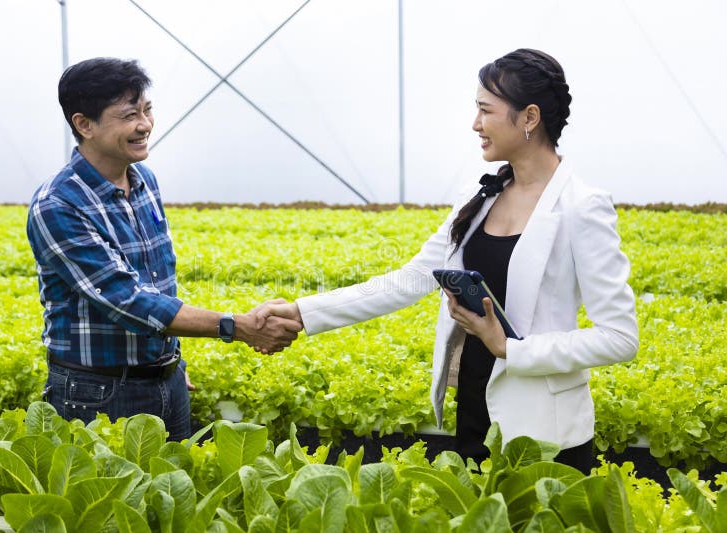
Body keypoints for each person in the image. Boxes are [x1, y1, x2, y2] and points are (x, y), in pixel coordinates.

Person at [257, 49, 638, 472]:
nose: (475, 124)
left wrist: (510, 348)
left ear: (529, 118)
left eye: (485, 110)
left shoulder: (582, 207)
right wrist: (301, 312)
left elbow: (620, 337)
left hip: (545, 436)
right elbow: (411, 280)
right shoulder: (481, 196)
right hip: (476, 410)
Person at [26, 57, 302, 441]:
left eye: (147, 110)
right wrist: (236, 326)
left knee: (170, 495)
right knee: (108, 499)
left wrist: (169, 360)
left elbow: (158, 283)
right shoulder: (59, 204)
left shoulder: (144, 181)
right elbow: (128, 301)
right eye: (128, 115)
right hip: (99, 394)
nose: (144, 125)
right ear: (84, 124)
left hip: (167, 381)